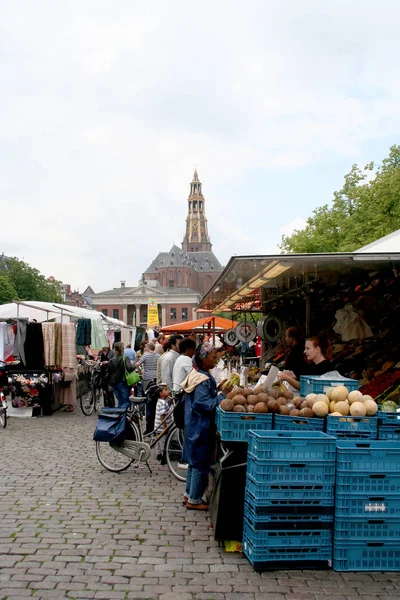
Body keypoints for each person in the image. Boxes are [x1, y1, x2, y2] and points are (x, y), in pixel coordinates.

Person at [181, 342, 232, 511]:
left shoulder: (197, 373)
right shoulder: (202, 379)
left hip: (193, 424)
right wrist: (221, 396)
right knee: (200, 464)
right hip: (200, 426)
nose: (216, 359)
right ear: (203, 359)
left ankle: (189, 494)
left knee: (193, 463)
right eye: (212, 356)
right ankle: (194, 500)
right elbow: (203, 404)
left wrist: (216, 390)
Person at [107, 342, 136, 408]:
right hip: (122, 382)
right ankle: (121, 416)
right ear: (122, 349)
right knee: (126, 402)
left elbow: (108, 372)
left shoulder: (111, 360)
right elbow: (129, 369)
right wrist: (134, 366)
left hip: (114, 383)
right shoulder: (125, 358)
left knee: (120, 401)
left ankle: (120, 417)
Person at [154, 383, 173, 460]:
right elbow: (162, 415)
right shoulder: (163, 402)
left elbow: (166, 410)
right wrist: (165, 426)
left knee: (158, 440)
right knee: (163, 441)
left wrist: (170, 401)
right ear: (161, 393)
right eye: (166, 390)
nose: (168, 391)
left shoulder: (161, 401)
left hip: (157, 426)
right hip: (162, 427)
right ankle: (163, 454)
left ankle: (158, 454)